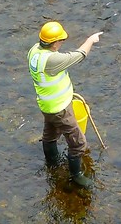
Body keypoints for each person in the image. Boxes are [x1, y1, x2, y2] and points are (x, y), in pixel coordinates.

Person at [27, 21, 103, 188]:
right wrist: (91, 40)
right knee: (78, 143)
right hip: (60, 109)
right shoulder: (52, 60)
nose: (62, 43)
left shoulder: (34, 51)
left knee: (50, 135)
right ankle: (76, 175)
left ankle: (52, 164)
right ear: (54, 43)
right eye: (61, 40)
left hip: (47, 106)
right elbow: (80, 55)